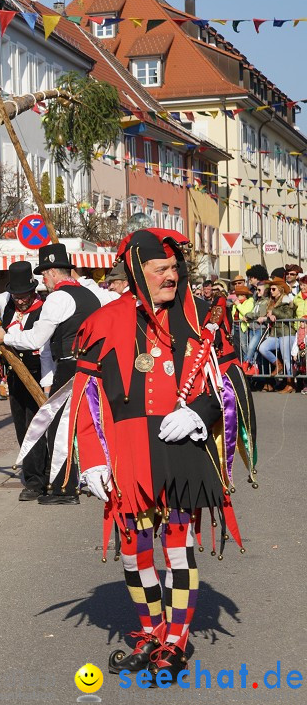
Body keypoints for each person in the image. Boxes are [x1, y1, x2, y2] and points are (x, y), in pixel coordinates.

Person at [57, 227, 256, 678]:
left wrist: (201, 413)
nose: (171, 275)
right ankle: (150, 630)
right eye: (160, 269)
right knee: (136, 549)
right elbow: (89, 398)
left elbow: (227, 385)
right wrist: (91, 457)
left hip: (182, 443)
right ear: (136, 271)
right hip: (128, 449)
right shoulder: (104, 321)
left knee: (178, 547)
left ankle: (176, 640)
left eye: (174, 268)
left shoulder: (202, 317)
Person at [0, 242, 108, 504]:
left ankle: (65, 489)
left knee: (60, 429)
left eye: (44, 274)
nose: (43, 280)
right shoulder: (89, 294)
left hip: (70, 365)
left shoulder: (58, 297)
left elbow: (36, 339)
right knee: (81, 426)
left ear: (53, 272)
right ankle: (81, 479)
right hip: (90, 366)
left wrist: (5, 336)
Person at [0, 261, 53, 501]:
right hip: (14, 376)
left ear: (33, 290)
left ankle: (36, 481)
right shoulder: (5, 301)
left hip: (36, 373)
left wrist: (46, 383)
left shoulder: (45, 308)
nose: (20, 300)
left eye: (25, 295)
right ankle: (35, 472)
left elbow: (41, 347)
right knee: (22, 428)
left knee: (36, 427)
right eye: (17, 295)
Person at [257, 279, 297, 393]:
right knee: (263, 348)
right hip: (275, 333)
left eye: (273, 289)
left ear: (280, 290)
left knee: (286, 358)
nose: (271, 291)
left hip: (286, 333)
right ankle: (277, 365)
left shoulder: (287, 300)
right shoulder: (272, 301)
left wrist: (274, 312)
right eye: (270, 289)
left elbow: (288, 315)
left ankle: (290, 384)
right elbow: (269, 315)